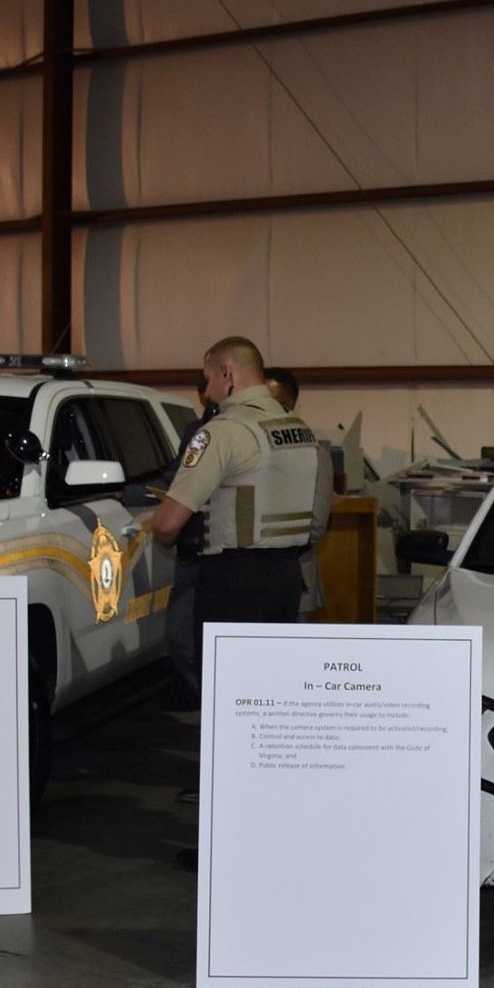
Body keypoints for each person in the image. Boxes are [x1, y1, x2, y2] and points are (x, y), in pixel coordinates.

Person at [151, 337, 322, 856]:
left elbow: (169, 521)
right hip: (285, 580)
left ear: (227, 374)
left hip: (232, 583)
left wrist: (162, 534)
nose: (205, 391)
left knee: (228, 717)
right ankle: (271, 833)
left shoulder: (224, 432)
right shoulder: (298, 430)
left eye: (206, 379)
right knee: (268, 715)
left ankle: (225, 848)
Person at [160, 375, 214, 712]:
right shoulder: (197, 432)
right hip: (192, 550)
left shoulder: (234, 433)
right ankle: (209, 701)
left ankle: (218, 707)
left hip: (224, 554)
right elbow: (177, 475)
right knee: (180, 636)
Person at [262, 367, 332, 622]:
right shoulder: (248, 448)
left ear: (289, 405)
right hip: (250, 584)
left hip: (295, 576)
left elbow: (316, 524)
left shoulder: (312, 452)